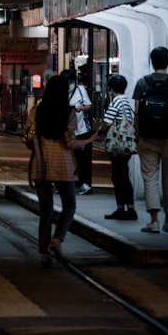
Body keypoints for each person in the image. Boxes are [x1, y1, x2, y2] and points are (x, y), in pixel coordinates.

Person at [29, 75, 97, 268]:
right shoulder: (68, 112)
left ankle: (44, 253)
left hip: (40, 166)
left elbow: (29, 136)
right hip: (62, 167)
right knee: (69, 205)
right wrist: (88, 141)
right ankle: (57, 240)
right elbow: (71, 143)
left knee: (46, 211)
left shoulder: (37, 111)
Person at [132, 46, 168, 234]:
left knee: (150, 179)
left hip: (146, 138)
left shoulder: (142, 83)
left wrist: (137, 135)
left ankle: (154, 220)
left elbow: (137, 112)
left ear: (151, 61)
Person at [94, 74, 138, 220]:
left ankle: (121, 208)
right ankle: (130, 208)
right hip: (127, 145)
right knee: (124, 175)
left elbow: (107, 122)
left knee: (118, 177)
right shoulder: (127, 102)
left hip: (118, 146)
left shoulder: (115, 102)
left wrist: (100, 133)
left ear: (111, 88)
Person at [62, 68, 94, 195]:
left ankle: (85, 183)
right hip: (66, 130)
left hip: (81, 130)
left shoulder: (80, 90)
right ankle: (64, 183)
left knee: (82, 158)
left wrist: (79, 108)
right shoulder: (62, 91)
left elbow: (89, 107)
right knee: (65, 158)